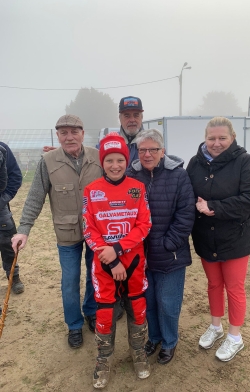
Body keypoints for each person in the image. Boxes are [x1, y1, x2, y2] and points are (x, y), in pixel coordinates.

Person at [11, 114, 102, 349]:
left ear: (83, 133)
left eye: (74, 131)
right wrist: (24, 230)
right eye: (64, 132)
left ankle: (91, 311)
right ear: (58, 135)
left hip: (97, 232)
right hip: (67, 233)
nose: (69, 137)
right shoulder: (47, 161)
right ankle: (73, 325)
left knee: (95, 275)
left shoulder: (98, 157)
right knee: (69, 280)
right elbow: (35, 197)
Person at [186, 116, 250, 362]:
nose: (216, 143)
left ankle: (235, 337)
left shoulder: (244, 162)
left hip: (235, 238)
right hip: (206, 237)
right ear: (205, 138)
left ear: (233, 138)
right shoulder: (195, 163)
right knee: (214, 285)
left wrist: (213, 207)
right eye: (211, 138)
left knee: (235, 288)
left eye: (222, 138)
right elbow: (187, 195)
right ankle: (216, 327)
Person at [83, 133, 152, 388]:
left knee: (137, 308)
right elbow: (89, 230)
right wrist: (112, 260)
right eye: (109, 160)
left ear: (126, 161)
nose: (115, 165)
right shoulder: (91, 191)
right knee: (105, 313)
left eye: (120, 160)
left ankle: (138, 353)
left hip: (134, 261)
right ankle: (103, 359)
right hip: (104, 264)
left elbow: (145, 224)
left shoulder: (138, 187)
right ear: (102, 162)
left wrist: (119, 248)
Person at [126, 129, 195, 365]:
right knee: (149, 301)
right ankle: (154, 337)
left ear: (162, 151)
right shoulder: (131, 176)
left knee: (168, 302)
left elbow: (186, 213)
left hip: (170, 253)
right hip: (141, 254)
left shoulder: (178, 175)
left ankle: (169, 342)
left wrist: (170, 243)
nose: (146, 154)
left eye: (152, 150)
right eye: (142, 150)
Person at [0, 142, 24, 297]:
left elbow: (15, 176)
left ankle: (14, 278)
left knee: (9, 245)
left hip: (1, 211)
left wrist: (2, 200)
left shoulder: (3, 149)